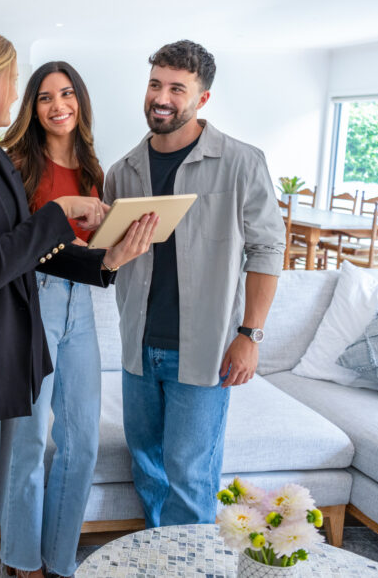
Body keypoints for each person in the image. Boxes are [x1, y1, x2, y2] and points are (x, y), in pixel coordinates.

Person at [0, 29, 158, 577]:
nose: (17, 92)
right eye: (15, 79)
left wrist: (105, 263)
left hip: (8, 359)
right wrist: (59, 208)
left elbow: (32, 253)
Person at [103, 40, 285, 529]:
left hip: (203, 352)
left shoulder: (242, 163)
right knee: (147, 469)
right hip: (137, 350)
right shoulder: (123, 172)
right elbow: (107, 257)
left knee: (189, 477)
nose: (162, 98)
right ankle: (161, 558)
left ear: (201, 98)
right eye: (155, 84)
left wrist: (251, 335)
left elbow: (267, 251)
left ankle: (192, 564)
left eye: (177, 89)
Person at [0, 61, 108, 578]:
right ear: (32, 108)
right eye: (45, 97)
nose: (58, 105)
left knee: (83, 441)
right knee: (30, 439)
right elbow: (18, 248)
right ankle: (22, 562)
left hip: (81, 303)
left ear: (80, 100)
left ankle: (60, 561)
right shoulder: (15, 163)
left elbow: (91, 245)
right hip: (32, 301)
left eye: (67, 94)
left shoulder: (92, 167)